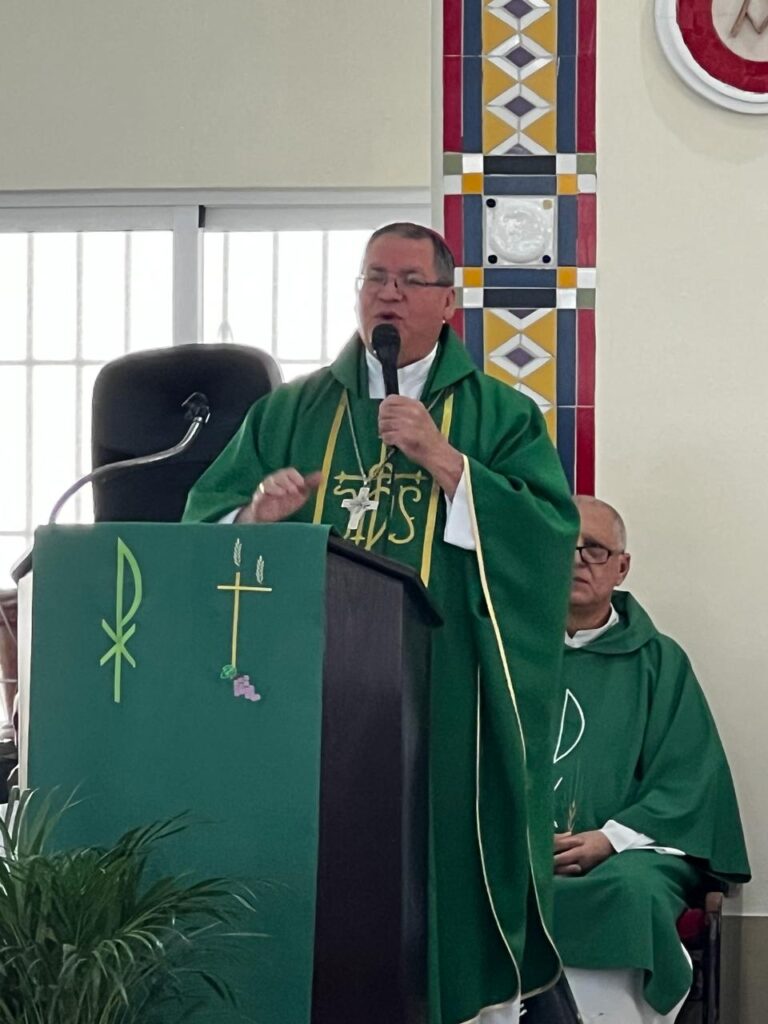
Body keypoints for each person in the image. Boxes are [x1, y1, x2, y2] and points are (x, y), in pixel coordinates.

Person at [183, 223, 579, 1024]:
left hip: (448, 688)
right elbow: (202, 523)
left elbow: (547, 538)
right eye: (373, 279)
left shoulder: (498, 414)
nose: (387, 294)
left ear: (446, 302)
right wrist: (256, 518)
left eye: (406, 280)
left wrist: (447, 461)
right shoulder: (291, 410)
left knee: (442, 866)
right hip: (310, 695)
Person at [551, 496, 750, 1024]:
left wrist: (608, 840)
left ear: (622, 565)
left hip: (628, 857)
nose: (576, 560)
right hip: (521, 854)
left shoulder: (659, 661)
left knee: (630, 895)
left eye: (593, 549)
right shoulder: (507, 653)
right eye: (563, 545)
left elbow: (689, 778)